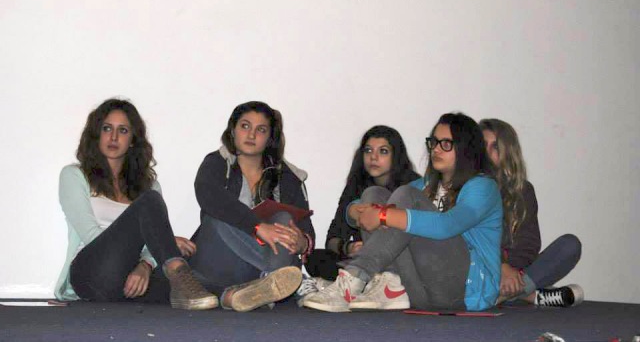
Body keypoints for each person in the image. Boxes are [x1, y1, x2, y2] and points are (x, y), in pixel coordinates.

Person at [303, 113, 502, 312]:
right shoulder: (425, 185)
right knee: (374, 193)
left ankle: (355, 277)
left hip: (462, 291)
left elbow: (446, 225)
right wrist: (355, 211)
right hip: (420, 291)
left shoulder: (483, 187)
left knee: (406, 196)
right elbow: (366, 207)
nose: (436, 149)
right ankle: (387, 284)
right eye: (434, 142)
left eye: (446, 144)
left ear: (467, 148)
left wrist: (382, 216)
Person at [54, 98, 217, 310]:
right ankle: (177, 268)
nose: (113, 137)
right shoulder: (75, 176)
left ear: (132, 140)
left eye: (122, 130)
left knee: (195, 270)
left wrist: (146, 265)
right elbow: (91, 235)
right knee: (149, 201)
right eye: (106, 128)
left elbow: (152, 240)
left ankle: (233, 295)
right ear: (96, 135)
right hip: (93, 274)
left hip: (129, 280)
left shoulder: (149, 185)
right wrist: (166, 242)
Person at [189, 101, 313, 311]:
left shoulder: (288, 176)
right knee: (216, 216)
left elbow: (305, 226)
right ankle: (278, 278)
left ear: (270, 138)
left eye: (261, 130)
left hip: (261, 266)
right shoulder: (216, 162)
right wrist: (257, 226)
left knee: (284, 219)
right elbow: (208, 197)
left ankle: (266, 283)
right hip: (219, 259)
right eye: (245, 126)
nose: (251, 135)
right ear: (233, 130)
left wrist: (303, 242)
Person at [479, 118, 583, 307]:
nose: (487, 152)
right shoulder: (463, 189)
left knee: (570, 245)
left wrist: (510, 273)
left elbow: (528, 245)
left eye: (495, 147)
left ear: (508, 152)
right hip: (477, 272)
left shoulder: (523, 191)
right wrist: (500, 266)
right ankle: (531, 296)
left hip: (513, 273)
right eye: (482, 145)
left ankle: (505, 294)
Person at [305, 125, 420, 281]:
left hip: (401, 260)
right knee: (315, 258)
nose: (373, 157)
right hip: (364, 258)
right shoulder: (356, 184)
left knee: (372, 194)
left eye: (383, 151)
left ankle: (362, 278)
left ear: (396, 156)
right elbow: (332, 238)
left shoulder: (413, 185)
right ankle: (361, 278)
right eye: (368, 150)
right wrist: (348, 247)